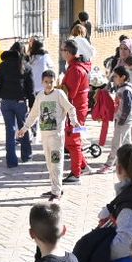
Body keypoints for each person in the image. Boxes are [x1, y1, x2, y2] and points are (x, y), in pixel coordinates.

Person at [18, 68, 82, 200]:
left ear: (55, 82)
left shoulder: (59, 94)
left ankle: (56, 192)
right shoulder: (40, 95)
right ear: (42, 82)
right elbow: (34, 113)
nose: (48, 85)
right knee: (49, 163)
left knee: (56, 163)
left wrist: (74, 121)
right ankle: (56, 188)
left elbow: (70, 108)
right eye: (46, 82)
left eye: (51, 82)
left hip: (56, 137)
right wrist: (25, 128)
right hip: (45, 136)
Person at [0, 41, 36, 168]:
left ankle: (11, 161)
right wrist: (32, 104)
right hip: (20, 102)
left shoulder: (3, 65)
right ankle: (26, 156)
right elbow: (31, 88)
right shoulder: (26, 66)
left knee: (9, 130)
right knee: (23, 128)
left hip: (5, 102)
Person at [59, 39, 91, 184]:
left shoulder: (76, 70)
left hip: (76, 111)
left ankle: (76, 174)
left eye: (62, 50)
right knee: (73, 138)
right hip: (79, 109)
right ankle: (82, 166)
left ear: (68, 52)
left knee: (73, 141)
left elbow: (69, 94)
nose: (61, 52)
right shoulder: (76, 67)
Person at [100, 66, 132, 170]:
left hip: (124, 120)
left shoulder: (126, 90)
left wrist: (121, 120)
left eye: (115, 76)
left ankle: (109, 164)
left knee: (116, 142)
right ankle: (130, 163)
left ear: (123, 77)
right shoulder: (121, 88)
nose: (113, 78)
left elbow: (127, 107)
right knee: (126, 143)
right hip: (122, 119)